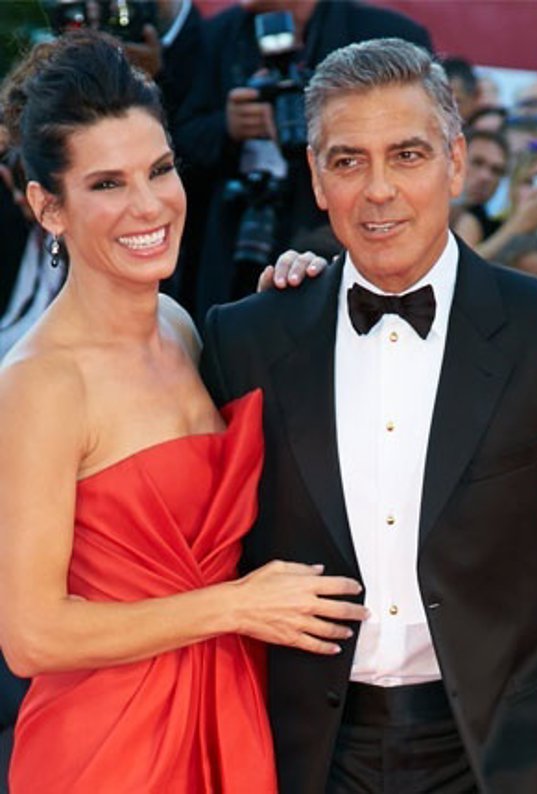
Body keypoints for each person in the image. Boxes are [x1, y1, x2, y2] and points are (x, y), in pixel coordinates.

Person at [0, 31, 367, 792]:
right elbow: (32, 635)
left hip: (227, 706)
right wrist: (234, 606)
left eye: (160, 169)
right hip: (109, 747)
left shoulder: (182, 328)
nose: (148, 205)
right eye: (107, 184)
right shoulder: (40, 383)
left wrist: (281, 315)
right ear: (48, 207)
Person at [199, 37, 537, 793]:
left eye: (407, 155)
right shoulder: (246, 339)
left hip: (499, 756)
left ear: (455, 162)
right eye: (349, 161)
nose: (379, 190)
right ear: (316, 178)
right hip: (307, 756)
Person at [173, 0, 432, 317]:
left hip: (333, 237)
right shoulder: (216, 36)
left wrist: (321, 126)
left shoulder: (386, 34)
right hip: (230, 242)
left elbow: (417, 141)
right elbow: (177, 142)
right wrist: (225, 127)